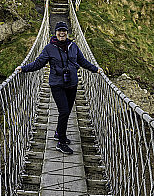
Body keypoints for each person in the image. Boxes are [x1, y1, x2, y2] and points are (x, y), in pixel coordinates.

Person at [15, 21, 103, 155]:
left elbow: (82, 61)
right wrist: (23, 68)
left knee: (67, 112)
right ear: (55, 33)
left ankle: (58, 132)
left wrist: (95, 69)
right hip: (57, 84)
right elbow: (39, 63)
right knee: (64, 111)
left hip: (72, 84)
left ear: (67, 33)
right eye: (59, 31)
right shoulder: (49, 48)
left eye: (64, 31)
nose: (62, 33)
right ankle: (61, 142)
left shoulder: (73, 46)